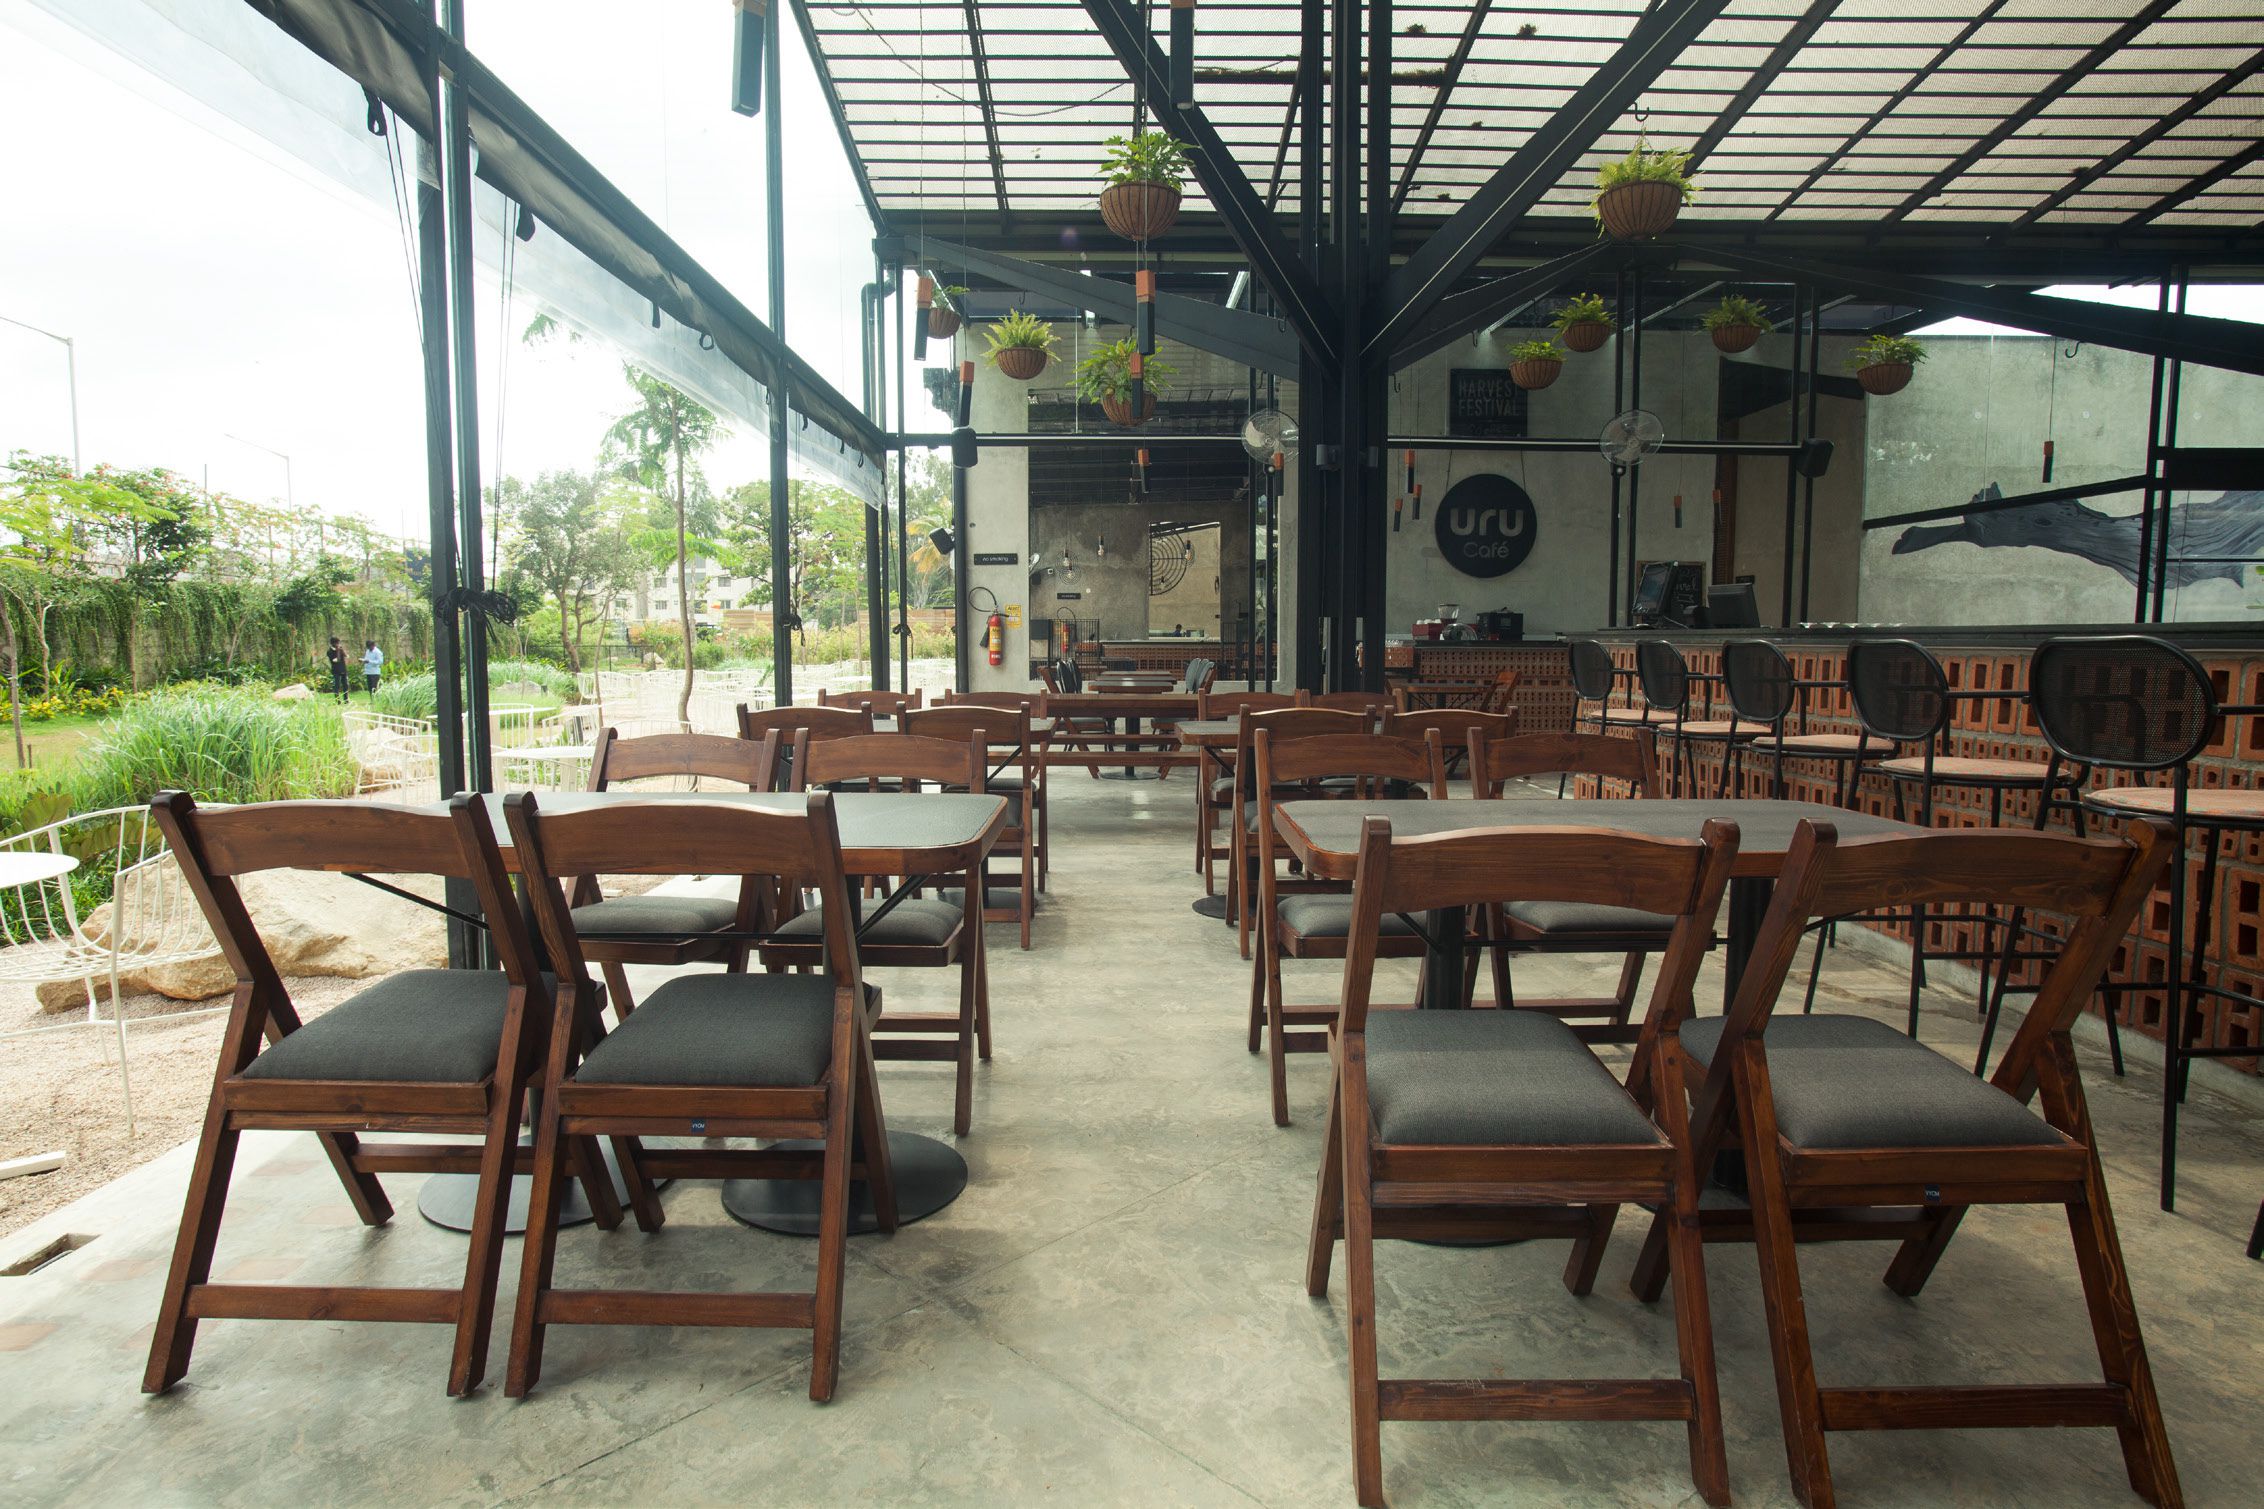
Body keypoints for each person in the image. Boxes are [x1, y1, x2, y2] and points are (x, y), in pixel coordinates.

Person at [324, 637, 350, 703]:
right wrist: (338, 651)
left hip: (343, 669)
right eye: (337, 643)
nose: (338, 644)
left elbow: (347, 656)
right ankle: (337, 700)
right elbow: (336, 660)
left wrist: (342, 650)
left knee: (345, 685)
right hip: (336, 670)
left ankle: (346, 699)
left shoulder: (340, 650)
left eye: (338, 643)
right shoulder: (329, 651)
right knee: (337, 685)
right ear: (332, 643)